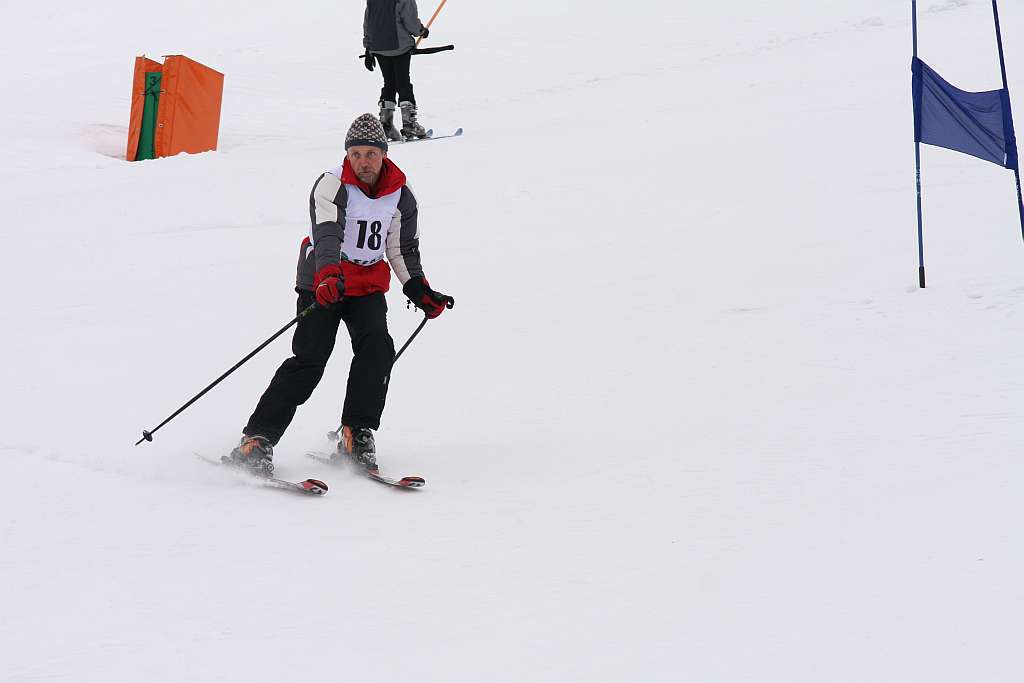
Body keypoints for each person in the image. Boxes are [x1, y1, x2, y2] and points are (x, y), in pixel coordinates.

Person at [225, 113, 453, 476]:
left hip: (366, 284)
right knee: (310, 360)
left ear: (384, 154)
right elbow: (327, 233)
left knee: (377, 349)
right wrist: (328, 276)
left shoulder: (401, 194)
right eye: (357, 153)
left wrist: (419, 290)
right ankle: (257, 440)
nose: (363, 161)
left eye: (371, 154)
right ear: (348, 154)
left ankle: (356, 434)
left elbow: (401, 248)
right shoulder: (332, 185)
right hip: (324, 281)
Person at [363, 0, 431, 141]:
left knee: (389, 83)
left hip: (378, 47)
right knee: (403, 82)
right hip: (399, 47)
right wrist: (421, 31)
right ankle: (409, 125)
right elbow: (410, 21)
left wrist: (368, 47)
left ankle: (386, 125)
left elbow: (368, 22)